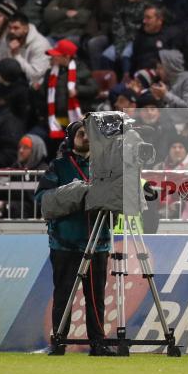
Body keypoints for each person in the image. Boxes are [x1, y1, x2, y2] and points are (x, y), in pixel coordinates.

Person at [35, 120, 115, 356]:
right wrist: (77, 192)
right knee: (63, 295)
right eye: (81, 134)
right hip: (65, 242)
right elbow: (43, 200)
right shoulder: (58, 166)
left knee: (96, 297)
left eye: (90, 134)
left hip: (98, 241)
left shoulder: (105, 166)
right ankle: (58, 342)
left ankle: (98, 344)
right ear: (71, 138)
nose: (86, 137)